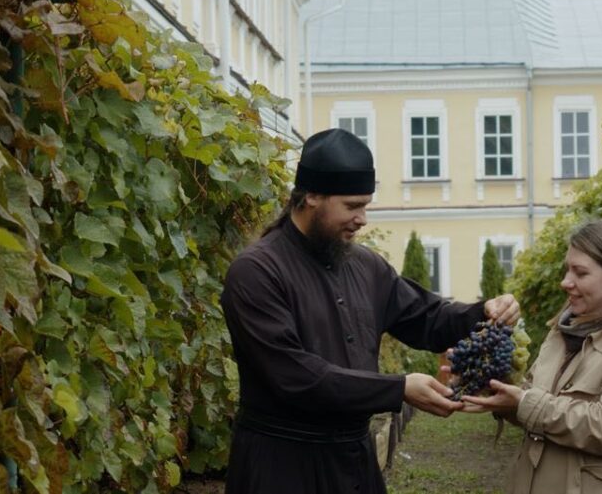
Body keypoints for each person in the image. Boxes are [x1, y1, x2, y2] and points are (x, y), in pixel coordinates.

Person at [221, 127, 521, 494]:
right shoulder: (257, 271)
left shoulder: (365, 265)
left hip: (353, 465)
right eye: (352, 206)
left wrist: (484, 312)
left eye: (365, 205)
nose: (363, 218)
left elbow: (428, 319)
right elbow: (296, 377)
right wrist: (398, 389)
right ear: (311, 195)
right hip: (281, 466)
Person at [461, 219, 602, 494]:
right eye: (567, 270)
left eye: (580, 273)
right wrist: (495, 386)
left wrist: (524, 402)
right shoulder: (562, 332)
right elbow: (536, 405)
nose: (566, 282)